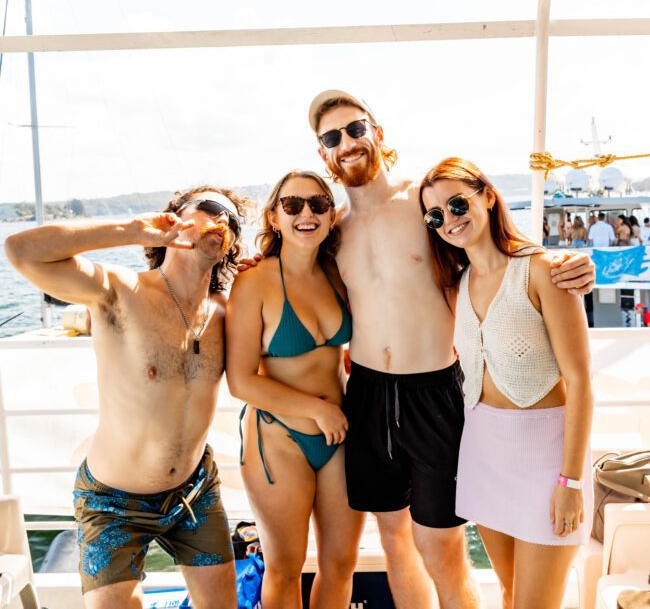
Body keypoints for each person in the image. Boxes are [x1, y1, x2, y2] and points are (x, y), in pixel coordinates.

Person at [307, 89, 595, 608]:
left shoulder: (425, 203)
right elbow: (296, 273)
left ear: (377, 131)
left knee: (441, 545)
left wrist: (568, 264)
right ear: (322, 153)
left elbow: (492, 245)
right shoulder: (332, 231)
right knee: (396, 541)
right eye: (332, 137)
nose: (346, 142)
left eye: (355, 128)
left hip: (435, 390)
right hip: (368, 392)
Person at [5, 186, 247, 609]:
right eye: (209, 209)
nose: (222, 218)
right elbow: (21, 249)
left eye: (232, 218)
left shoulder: (228, 312)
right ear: (173, 218)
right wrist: (135, 230)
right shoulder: (120, 289)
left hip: (194, 492)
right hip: (113, 500)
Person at [419, 157, 593, 609]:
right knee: (512, 594)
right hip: (483, 452)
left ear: (488, 196)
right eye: (435, 215)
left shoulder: (542, 270)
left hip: (546, 458)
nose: (449, 220)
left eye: (458, 204)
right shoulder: (458, 282)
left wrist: (570, 482)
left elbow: (580, 382)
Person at [226, 170, 365, 609]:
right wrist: (316, 410)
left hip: (340, 436)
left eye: (319, 204)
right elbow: (241, 379)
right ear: (274, 216)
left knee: (341, 564)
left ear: (330, 215)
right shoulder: (254, 282)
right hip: (278, 438)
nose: (307, 213)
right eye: (292, 205)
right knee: (286, 568)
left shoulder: (338, 273)